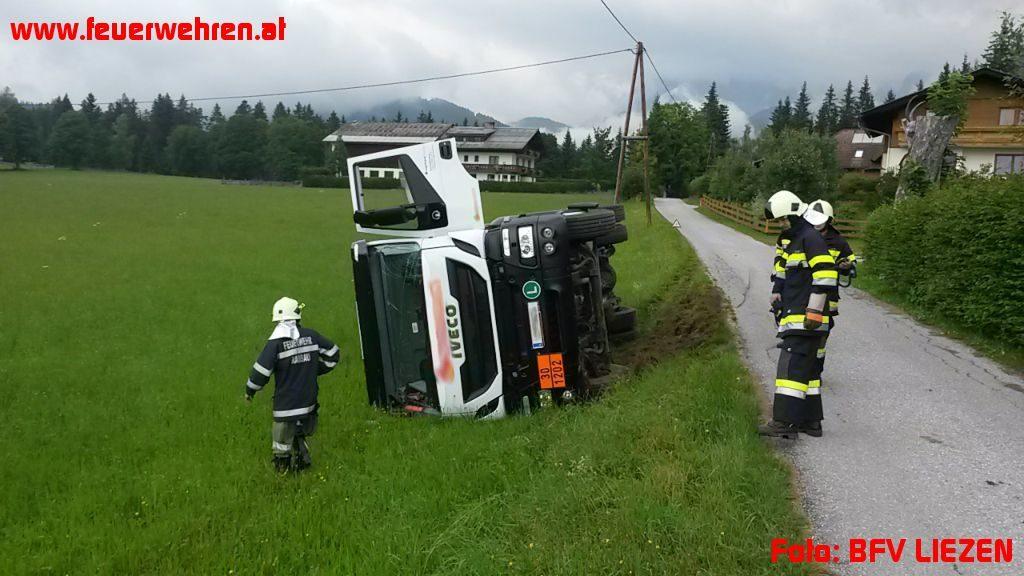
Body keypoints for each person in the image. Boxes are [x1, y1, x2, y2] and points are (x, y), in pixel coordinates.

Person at [759, 191, 836, 439]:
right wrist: (778, 293)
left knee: (790, 369)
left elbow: (826, 274)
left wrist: (813, 311)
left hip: (805, 320)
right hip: (801, 317)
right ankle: (810, 422)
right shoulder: (799, 239)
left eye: (782, 220)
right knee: (809, 372)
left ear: (793, 215)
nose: (781, 225)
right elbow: (790, 276)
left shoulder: (809, 238)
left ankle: (784, 422)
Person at [245, 297, 340, 472]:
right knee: (300, 429)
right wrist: (313, 369)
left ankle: (282, 468)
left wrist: (250, 390)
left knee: (281, 440)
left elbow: (260, 372)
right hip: (308, 401)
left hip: (286, 405)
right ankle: (302, 457)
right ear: (298, 316)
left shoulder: (275, 344)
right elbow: (333, 354)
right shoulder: (312, 336)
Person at [804, 199, 856, 425]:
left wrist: (846, 266)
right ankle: (804, 367)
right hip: (806, 293)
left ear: (829, 220)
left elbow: (852, 263)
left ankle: (816, 370)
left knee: (822, 337)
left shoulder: (838, 241)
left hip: (829, 297)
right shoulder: (805, 236)